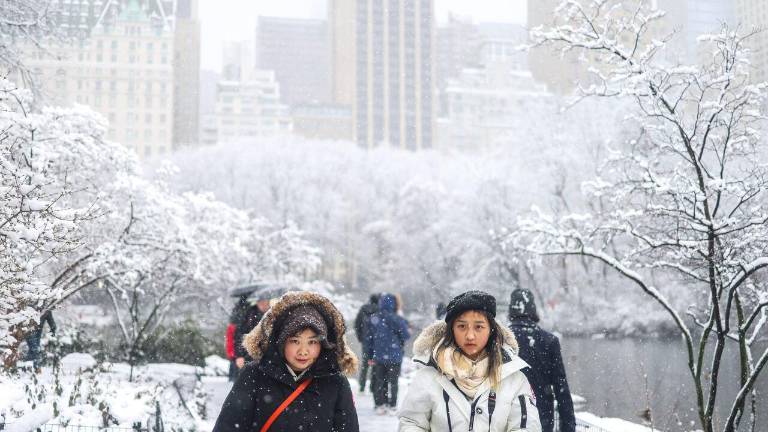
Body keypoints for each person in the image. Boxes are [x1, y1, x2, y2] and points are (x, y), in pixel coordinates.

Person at [212, 291, 359, 432]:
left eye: (312, 342)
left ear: (323, 344)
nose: (303, 351)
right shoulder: (255, 376)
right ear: (281, 341)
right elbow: (229, 426)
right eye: (295, 341)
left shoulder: (335, 382)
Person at [398, 290, 541, 432]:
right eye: (461, 326)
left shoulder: (514, 379)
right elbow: (411, 423)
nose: (470, 336)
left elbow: (526, 427)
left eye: (479, 327)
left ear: (491, 330)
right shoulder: (429, 376)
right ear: (452, 330)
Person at [508, 289, 574, 432]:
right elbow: (561, 389)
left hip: (508, 417)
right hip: (542, 417)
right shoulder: (549, 341)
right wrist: (568, 427)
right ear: (533, 310)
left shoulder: (500, 341)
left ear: (511, 310)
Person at [366, 293, 410, 415]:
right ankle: (392, 405)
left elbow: (369, 340)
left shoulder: (374, 319)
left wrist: (370, 356)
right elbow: (406, 335)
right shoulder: (398, 319)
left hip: (379, 356)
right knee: (393, 382)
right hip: (395, 356)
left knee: (380, 381)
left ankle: (380, 404)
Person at [232, 290, 271, 373]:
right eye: (261, 302)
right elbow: (239, 335)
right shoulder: (249, 315)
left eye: (265, 302)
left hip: (269, 356)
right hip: (250, 355)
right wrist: (239, 356)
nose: (264, 304)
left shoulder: (273, 314)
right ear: (257, 302)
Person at [354, 293, 380, 393]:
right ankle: (372, 387)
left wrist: (360, 337)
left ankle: (362, 386)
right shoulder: (380, 310)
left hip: (366, 340)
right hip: (377, 342)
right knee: (375, 364)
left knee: (365, 364)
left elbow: (357, 324)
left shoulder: (363, 309)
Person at [226, 293, 250, 381]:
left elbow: (230, 340)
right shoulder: (247, 309)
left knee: (235, 368)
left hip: (235, 335)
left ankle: (232, 378)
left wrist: (231, 353)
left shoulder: (237, 308)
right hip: (238, 333)